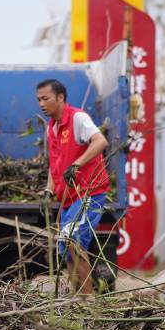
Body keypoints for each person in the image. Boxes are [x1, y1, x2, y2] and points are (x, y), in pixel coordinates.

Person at [36, 78, 109, 294]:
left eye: (45, 98)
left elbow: (100, 141)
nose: (41, 104)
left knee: (72, 240)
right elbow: (55, 164)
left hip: (88, 193)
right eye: (38, 100)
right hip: (68, 198)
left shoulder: (78, 118)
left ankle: (88, 302)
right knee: (68, 251)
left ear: (60, 98)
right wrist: (49, 190)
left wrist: (77, 164)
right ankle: (79, 301)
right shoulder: (52, 128)